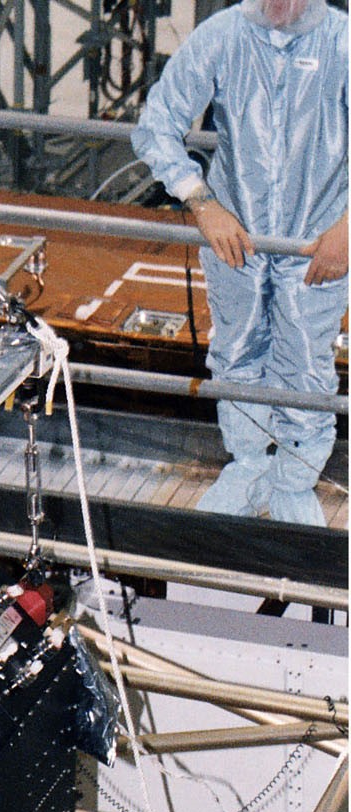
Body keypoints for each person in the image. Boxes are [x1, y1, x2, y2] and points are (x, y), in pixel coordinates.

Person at [132, 0, 348, 527]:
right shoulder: (223, 36)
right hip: (236, 238)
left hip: (318, 241)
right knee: (236, 354)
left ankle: (296, 479)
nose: (277, 5)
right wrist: (201, 202)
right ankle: (249, 466)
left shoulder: (343, 43)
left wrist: (348, 227)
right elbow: (156, 124)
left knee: (306, 362)